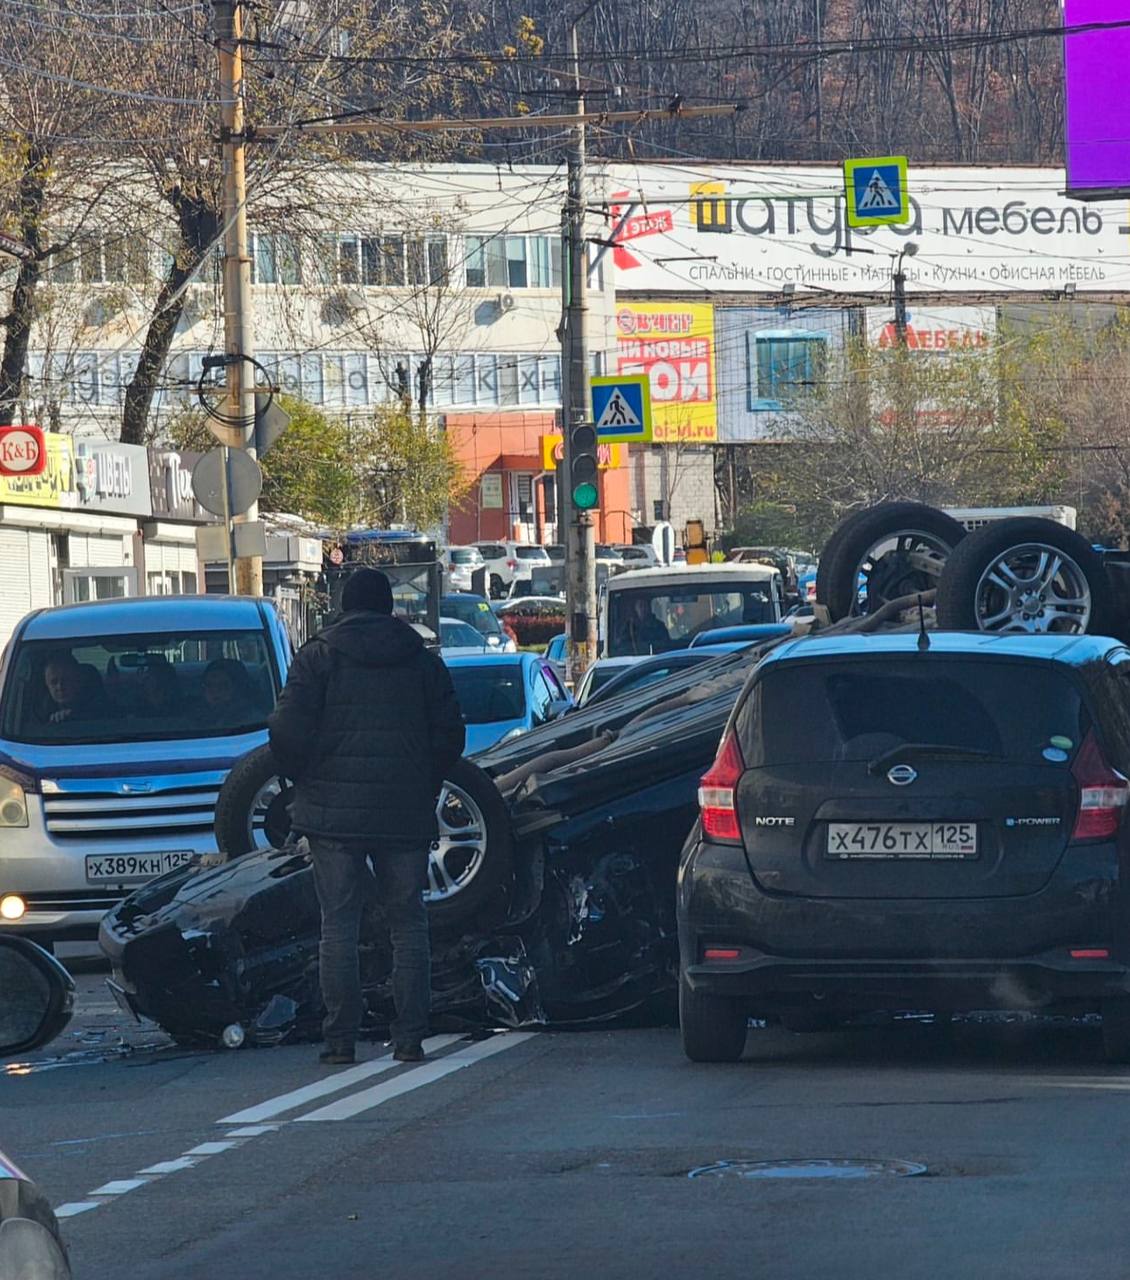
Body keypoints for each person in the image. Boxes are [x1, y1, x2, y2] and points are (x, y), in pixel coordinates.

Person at [268, 568, 465, 1067]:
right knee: (408, 923)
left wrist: (303, 779)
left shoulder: (318, 657)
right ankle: (410, 1039)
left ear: (342, 605)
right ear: (389, 606)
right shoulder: (420, 661)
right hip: (404, 813)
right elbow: (451, 737)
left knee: (339, 925)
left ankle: (339, 1042)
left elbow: (286, 731)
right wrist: (423, 780)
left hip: (332, 817)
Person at [40, 651, 104, 724]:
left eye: (66, 680)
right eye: (54, 682)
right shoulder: (37, 714)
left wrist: (74, 717)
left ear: (78, 681)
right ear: (47, 684)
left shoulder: (102, 709)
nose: (60, 687)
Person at [200, 658, 259, 726]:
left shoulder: (253, 724)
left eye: (223, 685)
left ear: (237, 689)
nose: (215, 691)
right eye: (209, 685)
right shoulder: (192, 720)